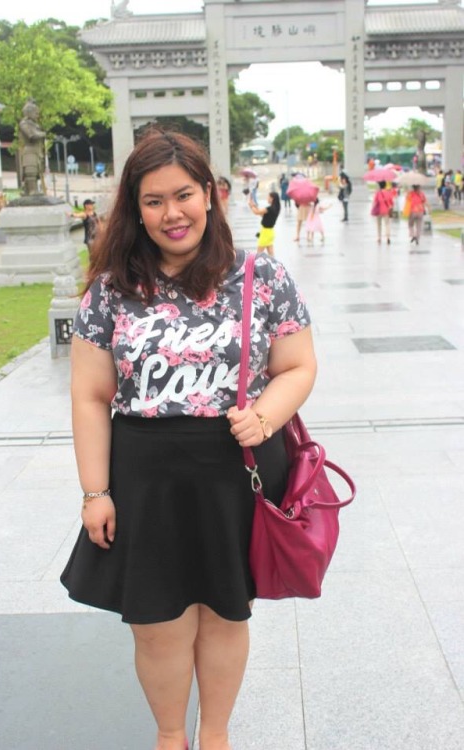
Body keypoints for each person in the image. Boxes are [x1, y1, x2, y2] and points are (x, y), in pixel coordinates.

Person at [60, 129, 317, 750]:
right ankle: (170, 736)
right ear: (134, 207)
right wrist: (96, 491)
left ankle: (217, 736)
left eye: (183, 195)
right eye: (153, 201)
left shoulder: (262, 274)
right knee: (157, 625)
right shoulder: (110, 291)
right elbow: (91, 397)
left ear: (209, 192)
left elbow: (299, 366)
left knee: (227, 614)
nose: (171, 213)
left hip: (237, 466)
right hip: (145, 473)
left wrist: (266, 415)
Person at [18, 99, 46, 196]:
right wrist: (43, 134)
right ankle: (31, 190)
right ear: (29, 112)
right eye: (35, 113)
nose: (37, 115)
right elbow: (31, 135)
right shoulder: (24, 123)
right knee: (30, 171)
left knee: (36, 171)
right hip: (29, 150)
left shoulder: (35, 125)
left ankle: (32, 190)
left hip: (37, 151)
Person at [248, 190, 281, 256]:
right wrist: (255, 206)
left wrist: (251, 206)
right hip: (270, 232)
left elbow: (256, 212)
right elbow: (262, 214)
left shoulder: (269, 209)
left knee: (259, 253)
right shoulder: (275, 208)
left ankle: (258, 265)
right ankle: (274, 265)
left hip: (265, 233)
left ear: (272, 198)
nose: (267, 198)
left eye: (268, 197)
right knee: (271, 253)